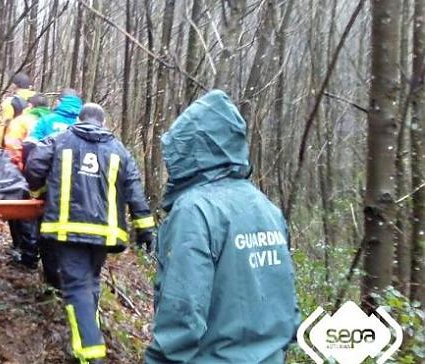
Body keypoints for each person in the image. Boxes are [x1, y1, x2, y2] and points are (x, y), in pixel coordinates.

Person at [145, 90, 300, 363]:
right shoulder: (266, 208)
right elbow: (287, 305)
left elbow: (183, 313)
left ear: (191, 151)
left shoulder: (194, 210)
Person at [25, 103, 155, 364]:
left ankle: (91, 351)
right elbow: (135, 191)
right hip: (103, 233)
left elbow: (35, 166)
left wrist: (38, 193)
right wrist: (146, 229)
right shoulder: (119, 150)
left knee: (75, 288)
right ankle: (89, 338)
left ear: (79, 119)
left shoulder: (60, 140)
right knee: (90, 283)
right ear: (103, 122)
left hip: (66, 227)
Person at [2, 94, 51, 269]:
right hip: (52, 179)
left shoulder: (21, 121)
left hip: (24, 175)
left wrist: (18, 169)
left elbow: (13, 148)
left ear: (30, 105)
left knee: (20, 212)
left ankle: (25, 250)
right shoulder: (53, 121)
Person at [0, 72, 36, 147]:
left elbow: (4, 124)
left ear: (14, 86)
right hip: (34, 146)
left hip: (14, 146)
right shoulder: (39, 100)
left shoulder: (11, 102)